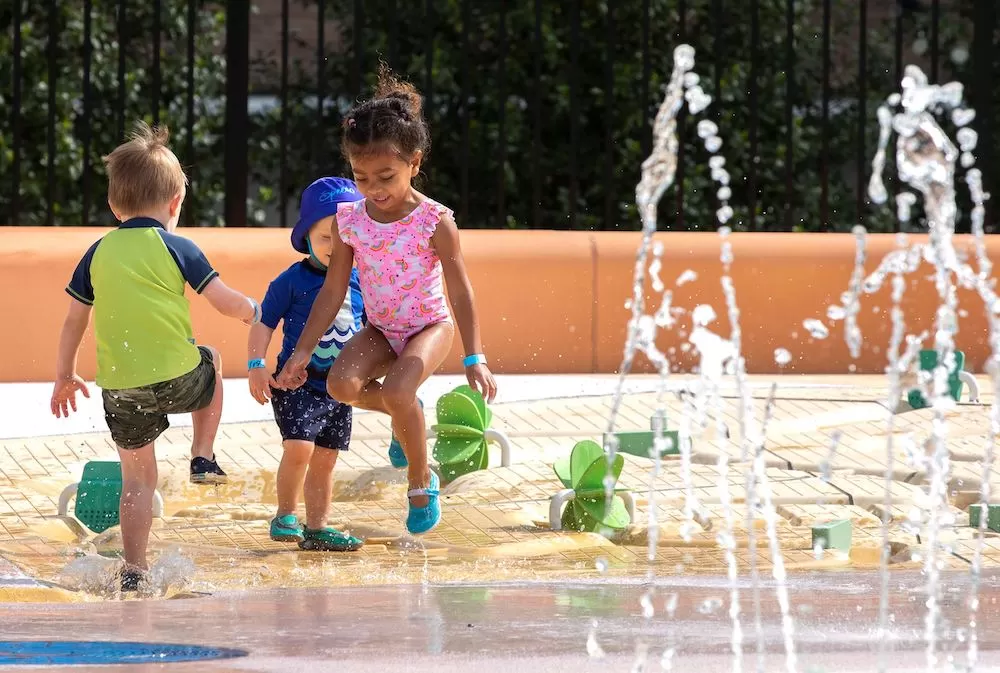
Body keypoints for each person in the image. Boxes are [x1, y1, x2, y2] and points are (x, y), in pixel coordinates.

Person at [275, 64, 498, 536]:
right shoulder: (350, 220)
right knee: (339, 386)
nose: (374, 189)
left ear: (415, 163)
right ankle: (408, 418)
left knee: (398, 391)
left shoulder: (435, 221)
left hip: (429, 326)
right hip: (379, 328)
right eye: (361, 177)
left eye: (386, 176)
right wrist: (301, 353)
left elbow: (459, 289)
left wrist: (475, 356)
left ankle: (421, 479)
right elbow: (333, 291)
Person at [49, 122, 260, 590]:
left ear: (113, 204)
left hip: (121, 388)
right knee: (211, 359)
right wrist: (254, 312)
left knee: (138, 479)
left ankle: (135, 568)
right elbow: (224, 300)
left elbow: (73, 322)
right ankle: (202, 454)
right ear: (175, 203)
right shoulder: (177, 245)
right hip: (179, 377)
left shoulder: (96, 252)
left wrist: (64, 374)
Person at [247, 176, 366, 552]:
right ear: (307, 238)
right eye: (324, 237)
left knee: (326, 459)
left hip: (340, 387)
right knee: (300, 447)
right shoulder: (292, 281)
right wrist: (255, 364)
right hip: (296, 383)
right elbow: (263, 322)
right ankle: (285, 514)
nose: (335, 246)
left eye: (343, 236)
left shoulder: (363, 279)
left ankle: (317, 527)